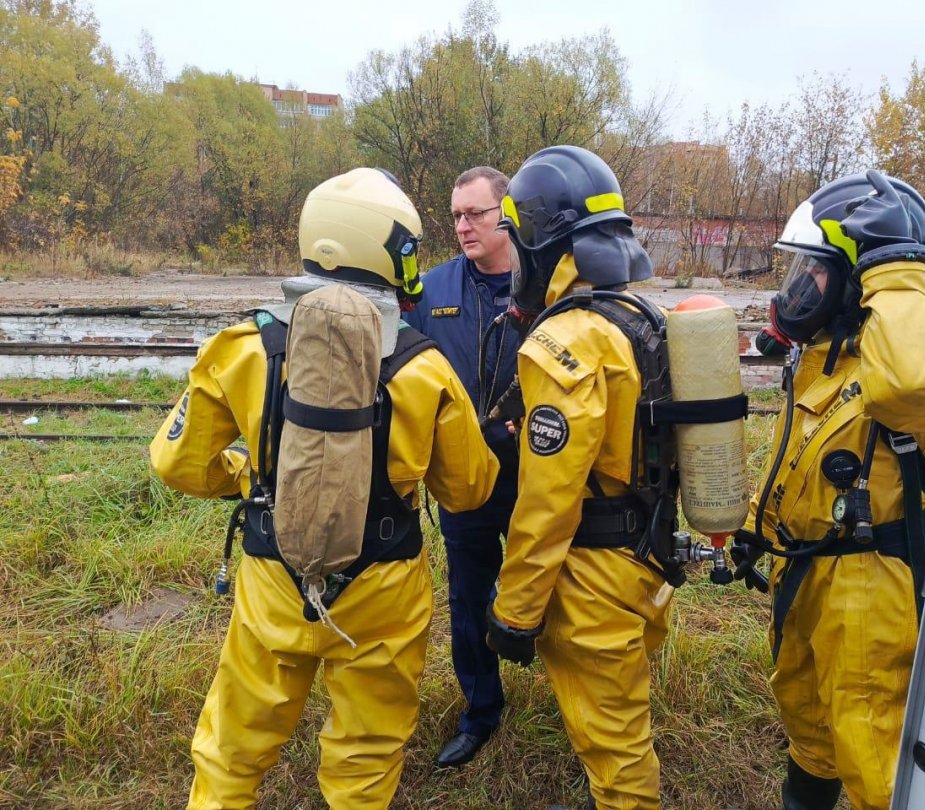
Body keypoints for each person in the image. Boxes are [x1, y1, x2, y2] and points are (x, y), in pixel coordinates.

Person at [149, 167, 499, 810]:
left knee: (232, 747)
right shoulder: (425, 369)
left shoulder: (242, 348)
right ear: (393, 252)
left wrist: (246, 481)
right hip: (384, 588)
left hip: (271, 575)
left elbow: (176, 464)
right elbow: (470, 490)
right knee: (365, 755)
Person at [731, 170, 925, 810]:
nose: (797, 290)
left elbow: (910, 391)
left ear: (859, 276)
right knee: (808, 719)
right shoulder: (829, 356)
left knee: (874, 750)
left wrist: (895, 265)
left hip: (874, 591)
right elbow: (794, 456)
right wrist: (757, 525)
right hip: (811, 578)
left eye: (814, 271)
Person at [485, 145, 674, 810]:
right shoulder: (636, 318)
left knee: (616, 745)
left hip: (593, 574)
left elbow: (548, 500)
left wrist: (515, 612)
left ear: (538, 242)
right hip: (645, 554)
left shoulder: (563, 342)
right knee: (621, 714)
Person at [404, 166, 521, 768]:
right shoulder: (432, 291)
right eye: (455, 215)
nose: (463, 226)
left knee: (559, 594)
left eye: (474, 213)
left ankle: (585, 708)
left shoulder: (544, 285)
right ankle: (480, 712)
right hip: (463, 481)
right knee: (469, 597)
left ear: (508, 214)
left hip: (536, 480)